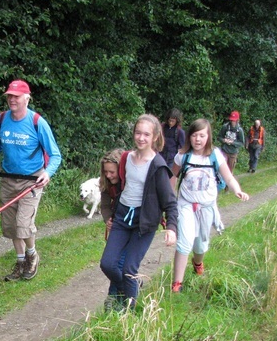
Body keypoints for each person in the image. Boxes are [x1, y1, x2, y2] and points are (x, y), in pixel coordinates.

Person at [99, 114, 177, 310]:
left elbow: (170, 201)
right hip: (122, 218)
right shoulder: (126, 158)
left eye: (146, 134)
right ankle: (129, 288)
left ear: (155, 137)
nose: (141, 138)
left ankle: (129, 312)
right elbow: (118, 186)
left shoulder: (158, 166)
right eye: (138, 133)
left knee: (128, 269)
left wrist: (171, 227)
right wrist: (110, 214)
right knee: (107, 264)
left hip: (144, 222)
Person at [0, 79, 62, 281]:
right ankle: (20, 261)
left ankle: (32, 256)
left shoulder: (37, 122)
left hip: (31, 181)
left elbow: (55, 154)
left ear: (27, 98)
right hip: (7, 179)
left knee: (23, 224)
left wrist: (47, 173)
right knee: (11, 226)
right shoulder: (1, 119)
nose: (12, 100)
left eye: (16, 96)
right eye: (9, 96)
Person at [171, 119, 249, 293]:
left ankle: (197, 262)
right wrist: (168, 201)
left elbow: (228, 177)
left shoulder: (215, 155)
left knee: (200, 245)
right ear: (189, 136)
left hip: (206, 207)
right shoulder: (182, 155)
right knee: (184, 242)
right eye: (194, 135)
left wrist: (237, 190)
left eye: (202, 135)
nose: (198, 139)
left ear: (208, 137)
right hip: (186, 204)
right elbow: (173, 177)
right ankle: (177, 284)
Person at [98, 148, 125, 310]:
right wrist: (108, 219)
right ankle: (130, 285)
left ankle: (114, 296)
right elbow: (105, 206)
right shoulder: (106, 185)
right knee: (109, 263)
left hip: (130, 227)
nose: (109, 175)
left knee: (119, 263)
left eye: (112, 172)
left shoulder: (130, 183)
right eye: (106, 172)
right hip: (115, 227)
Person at [217, 110, 245, 176]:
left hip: (233, 153)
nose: (233, 122)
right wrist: (223, 140)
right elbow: (219, 137)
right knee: (222, 169)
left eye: (234, 120)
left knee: (230, 170)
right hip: (224, 150)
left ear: (237, 120)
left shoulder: (239, 130)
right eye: (231, 120)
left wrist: (233, 143)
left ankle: (228, 184)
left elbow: (241, 143)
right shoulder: (225, 127)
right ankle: (222, 184)